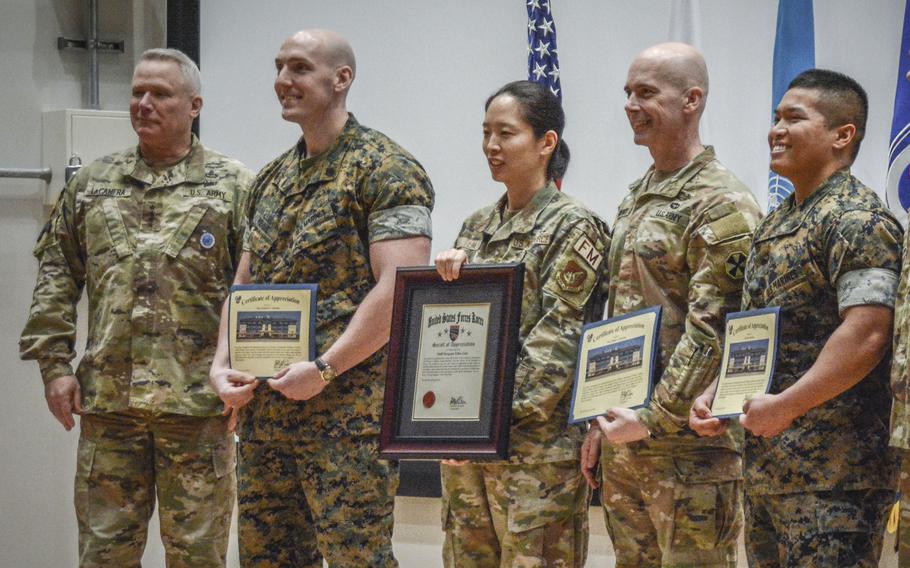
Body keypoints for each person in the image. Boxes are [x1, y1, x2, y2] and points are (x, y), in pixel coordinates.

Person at [208, 29, 434, 567]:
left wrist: (325, 370)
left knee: (357, 561)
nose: (283, 81)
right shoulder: (270, 179)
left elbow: (398, 288)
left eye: (300, 68)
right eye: (280, 67)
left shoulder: (386, 168)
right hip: (268, 419)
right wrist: (222, 365)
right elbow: (245, 283)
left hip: (345, 420)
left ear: (341, 79)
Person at [18, 48, 252, 567]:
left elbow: (255, 292)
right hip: (110, 409)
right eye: (137, 93)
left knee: (197, 557)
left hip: (198, 411)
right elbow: (57, 275)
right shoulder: (92, 185)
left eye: (159, 94)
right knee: (104, 556)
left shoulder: (235, 186)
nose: (143, 104)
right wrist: (54, 367)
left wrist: (248, 379)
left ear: (194, 105)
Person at [690, 69, 902, 568]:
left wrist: (785, 405)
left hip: (836, 477)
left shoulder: (858, 219)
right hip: (769, 470)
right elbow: (762, 335)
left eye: (793, 118)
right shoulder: (778, 222)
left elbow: (868, 333)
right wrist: (719, 394)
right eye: (775, 117)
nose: (776, 130)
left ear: (842, 135)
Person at [580, 42, 761, 567]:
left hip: (689, 450)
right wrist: (601, 418)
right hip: (628, 442)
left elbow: (713, 329)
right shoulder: (640, 193)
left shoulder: (721, 201)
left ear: (692, 100)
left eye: (646, 92)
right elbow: (620, 317)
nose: (631, 105)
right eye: (628, 93)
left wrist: (653, 417)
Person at [434, 80, 609, 567]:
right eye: (486, 132)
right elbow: (449, 337)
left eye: (506, 133)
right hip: (469, 454)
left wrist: (473, 429)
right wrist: (444, 280)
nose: (491, 146)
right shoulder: (474, 227)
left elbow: (556, 348)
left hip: (535, 457)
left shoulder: (575, 226)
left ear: (546, 142)